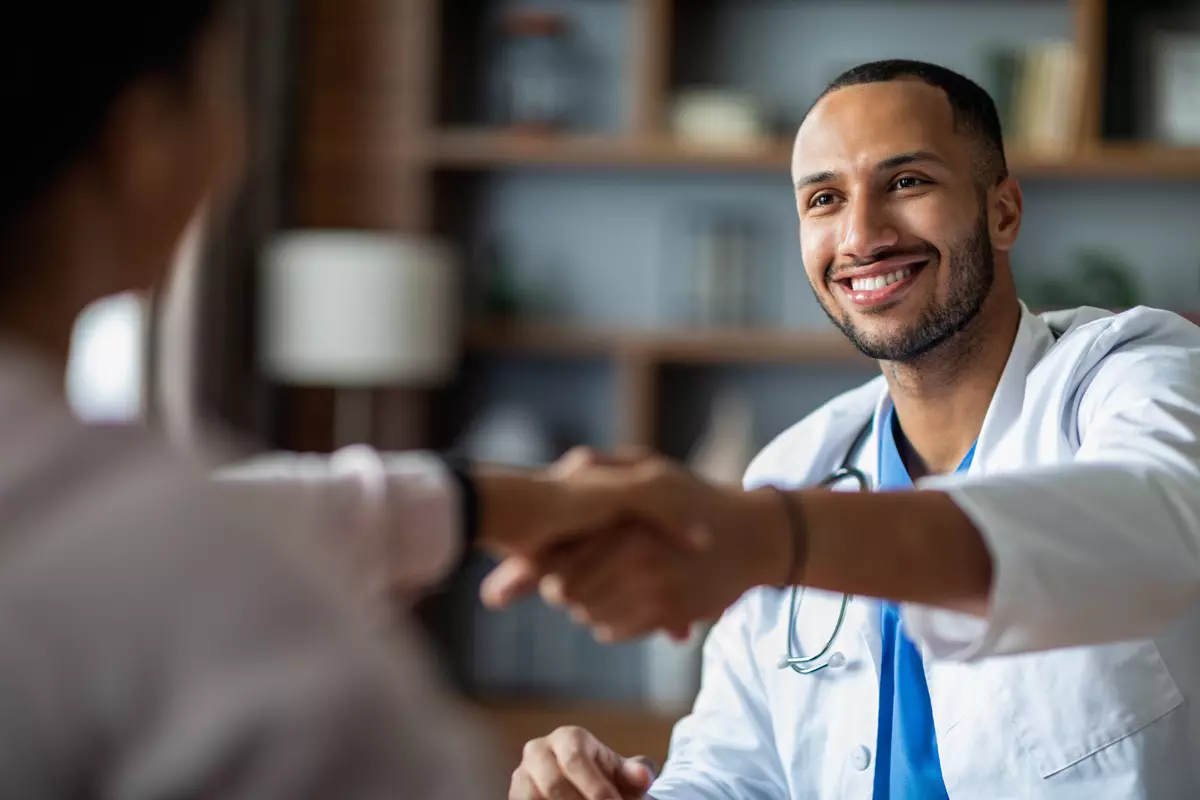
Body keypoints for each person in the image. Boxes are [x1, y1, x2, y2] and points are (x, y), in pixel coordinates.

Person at [0, 3, 710, 798]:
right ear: (142, 145)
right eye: (219, 94)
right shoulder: (189, 575)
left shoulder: (129, 531)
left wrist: (493, 504)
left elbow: (245, 514)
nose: (236, 139)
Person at [497, 60, 1200, 799]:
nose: (861, 235)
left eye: (907, 183)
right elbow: (737, 767)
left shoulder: (1137, 372)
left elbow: (1154, 522)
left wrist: (775, 537)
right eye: (825, 198)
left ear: (1003, 213)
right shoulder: (796, 465)